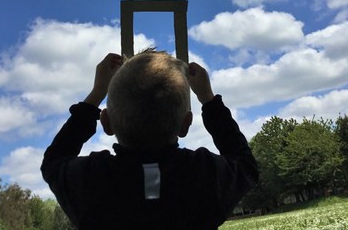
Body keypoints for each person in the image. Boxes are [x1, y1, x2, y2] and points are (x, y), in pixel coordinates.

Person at [41, 49, 258, 229]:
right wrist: (209, 100)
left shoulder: (90, 182)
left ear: (105, 122)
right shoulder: (204, 176)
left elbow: (54, 160)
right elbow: (246, 166)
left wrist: (96, 94)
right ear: (186, 124)